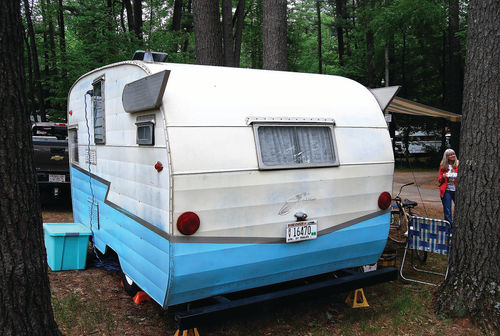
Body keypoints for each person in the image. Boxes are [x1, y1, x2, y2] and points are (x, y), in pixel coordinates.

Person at [438, 149, 458, 226]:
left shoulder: (458, 164)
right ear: (446, 157)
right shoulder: (443, 166)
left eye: (453, 154)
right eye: (450, 155)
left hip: (457, 190)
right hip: (446, 191)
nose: (452, 156)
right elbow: (439, 180)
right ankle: (449, 227)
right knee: (447, 210)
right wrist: (443, 176)